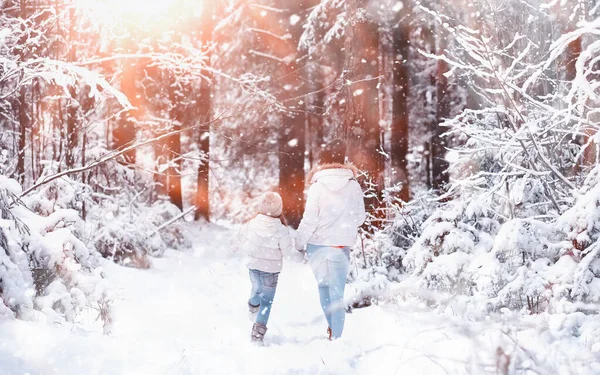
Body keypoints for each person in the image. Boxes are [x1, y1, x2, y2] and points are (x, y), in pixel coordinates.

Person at [295, 139, 366, 340]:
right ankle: (336, 338)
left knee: (323, 288)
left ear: (323, 160)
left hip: (317, 246)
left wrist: (299, 244)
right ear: (343, 157)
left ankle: (332, 330)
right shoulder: (353, 186)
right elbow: (360, 218)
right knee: (337, 295)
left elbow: (309, 220)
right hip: (340, 246)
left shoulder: (317, 187)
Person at [235, 192, 295, 343]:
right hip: (271, 271)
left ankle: (253, 306)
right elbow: (289, 253)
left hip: (254, 266)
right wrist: (302, 257)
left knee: (256, 289)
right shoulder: (281, 230)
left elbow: (240, 237)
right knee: (267, 301)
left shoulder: (252, 223)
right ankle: (257, 335)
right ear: (279, 209)